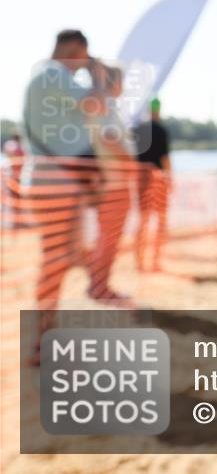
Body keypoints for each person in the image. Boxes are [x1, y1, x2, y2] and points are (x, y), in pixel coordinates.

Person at [20, 30, 108, 311]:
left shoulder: (46, 74)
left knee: (60, 256)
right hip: (56, 178)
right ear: (75, 49)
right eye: (85, 56)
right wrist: (98, 75)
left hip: (50, 176)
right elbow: (97, 103)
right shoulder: (55, 74)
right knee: (55, 258)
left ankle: (43, 329)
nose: (85, 62)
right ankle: (39, 336)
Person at [89, 66, 136, 302]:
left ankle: (98, 286)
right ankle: (100, 288)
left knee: (106, 239)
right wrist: (131, 164)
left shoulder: (103, 107)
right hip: (114, 187)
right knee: (109, 240)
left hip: (111, 185)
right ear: (115, 83)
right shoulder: (105, 108)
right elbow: (110, 139)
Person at [132, 96, 172, 272]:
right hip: (157, 180)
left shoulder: (138, 130)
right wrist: (170, 179)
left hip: (141, 179)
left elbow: (133, 158)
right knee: (160, 222)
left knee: (143, 221)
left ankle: (139, 261)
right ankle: (155, 261)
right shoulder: (161, 131)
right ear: (159, 110)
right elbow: (165, 159)